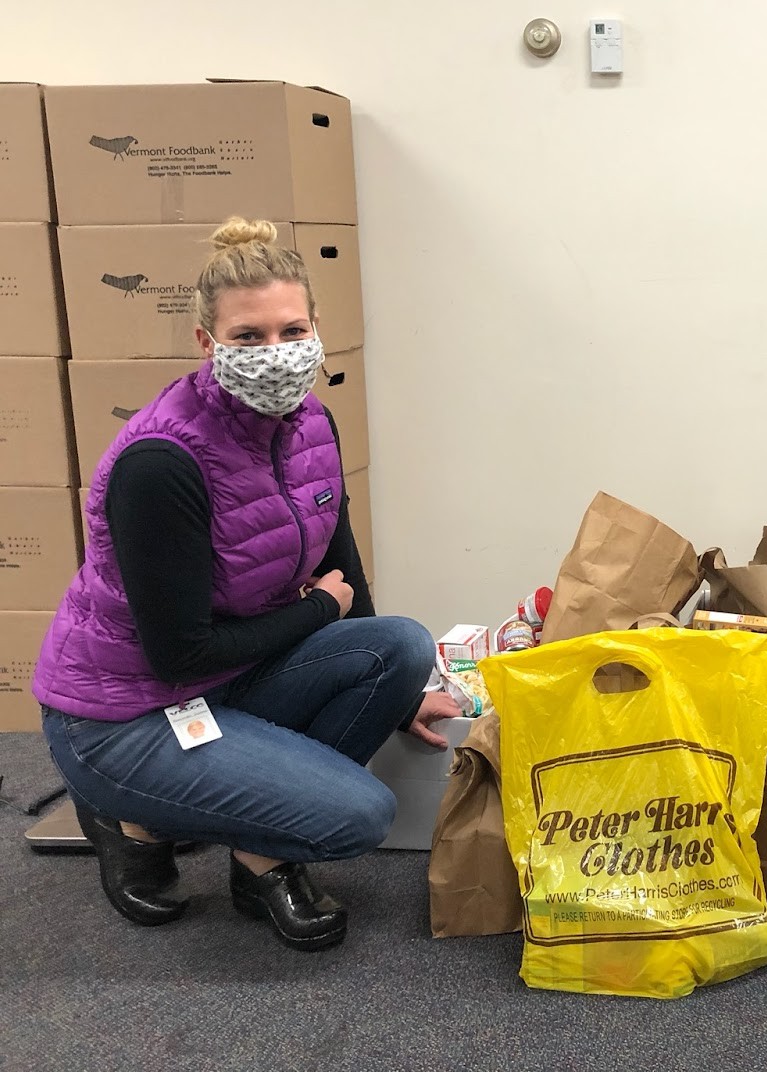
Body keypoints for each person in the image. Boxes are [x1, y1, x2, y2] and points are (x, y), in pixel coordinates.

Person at [32, 218, 459, 950]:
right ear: (207, 343)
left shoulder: (312, 422)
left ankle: (259, 854)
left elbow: (345, 571)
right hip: (126, 712)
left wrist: (403, 693)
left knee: (400, 646)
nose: (277, 354)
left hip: (229, 673)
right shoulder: (162, 463)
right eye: (249, 338)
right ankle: (127, 815)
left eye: (293, 330)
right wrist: (322, 607)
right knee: (356, 816)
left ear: (317, 328)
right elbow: (181, 655)